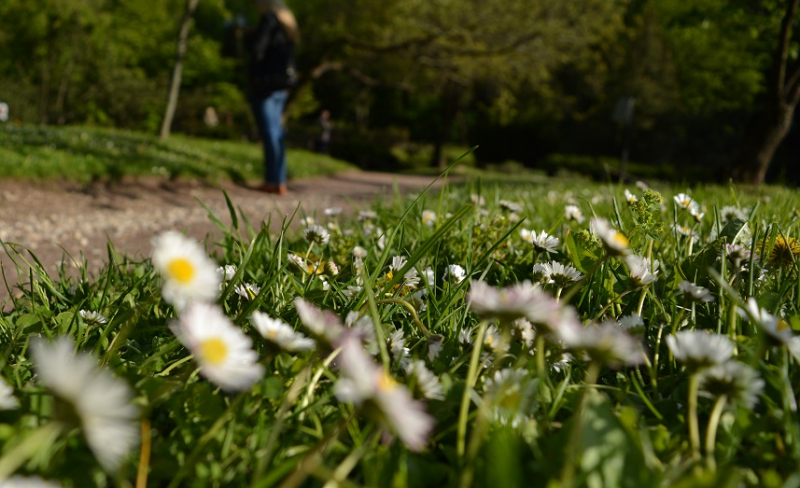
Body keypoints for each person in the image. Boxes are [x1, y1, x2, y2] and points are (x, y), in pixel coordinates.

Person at [246, 0, 298, 195]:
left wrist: (250, 36)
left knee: (269, 133)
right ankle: (279, 180)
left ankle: (272, 180)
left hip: (265, 85)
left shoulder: (269, 20)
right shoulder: (289, 27)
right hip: (282, 86)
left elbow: (257, 48)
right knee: (276, 134)